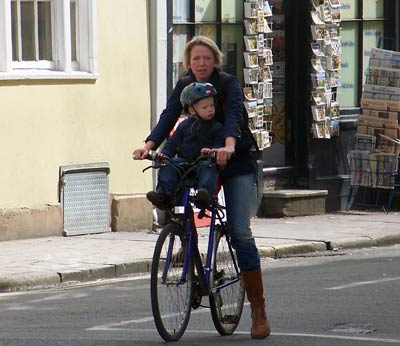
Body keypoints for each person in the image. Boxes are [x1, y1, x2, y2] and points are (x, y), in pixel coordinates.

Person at [133, 35, 271, 339]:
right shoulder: (184, 85)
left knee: (238, 231)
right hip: (199, 159)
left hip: (233, 160)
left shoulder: (227, 84)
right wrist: (149, 145)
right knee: (174, 188)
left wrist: (229, 146)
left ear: (215, 60)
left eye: (206, 58)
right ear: (188, 62)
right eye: (195, 58)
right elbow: (169, 115)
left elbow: (234, 115)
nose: (201, 63)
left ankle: (258, 308)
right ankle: (186, 240)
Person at [146, 82, 224, 210]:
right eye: (205, 107)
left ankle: (203, 196)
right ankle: (164, 196)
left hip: (203, 161)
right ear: (192, 110)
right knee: (169, 164)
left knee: (208, 166)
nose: (210, 109)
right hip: (184, 162)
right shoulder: (184, 126)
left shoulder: (217, 127)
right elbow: (172, 143)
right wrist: (164, 155)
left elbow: (219, 144)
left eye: (211, 105)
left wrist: (212, 151)